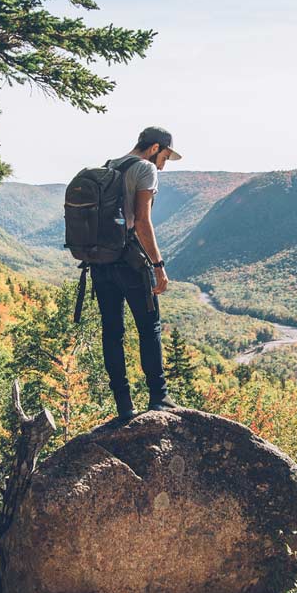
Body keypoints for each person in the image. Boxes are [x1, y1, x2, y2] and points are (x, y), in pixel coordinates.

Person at [90, 126, 183, 424]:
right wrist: (158, 266)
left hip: (100, 262)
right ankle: (159, 398)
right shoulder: (145, 169)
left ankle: (124, 407)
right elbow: (143, 222)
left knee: (112, 334)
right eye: (166, 156)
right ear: (155, 148)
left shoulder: (109, 166)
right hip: (131, 262)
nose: (164, 164)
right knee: (149, 328)